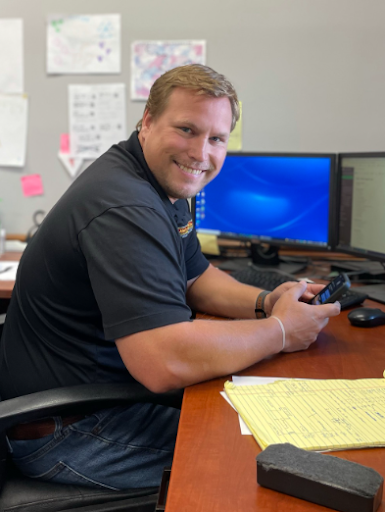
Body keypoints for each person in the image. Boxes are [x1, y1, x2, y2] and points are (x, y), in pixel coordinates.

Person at [0, 64, 340, 491]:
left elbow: (195, 278)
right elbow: (162, 361)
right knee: (263, 463)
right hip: (69, 430)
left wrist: (268, 302)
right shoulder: (125, 207)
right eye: (186, 129)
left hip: (110, 396)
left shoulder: (163, 182)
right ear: (147, 122)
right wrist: (282, 331)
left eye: (216, 138)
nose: (201, 153)